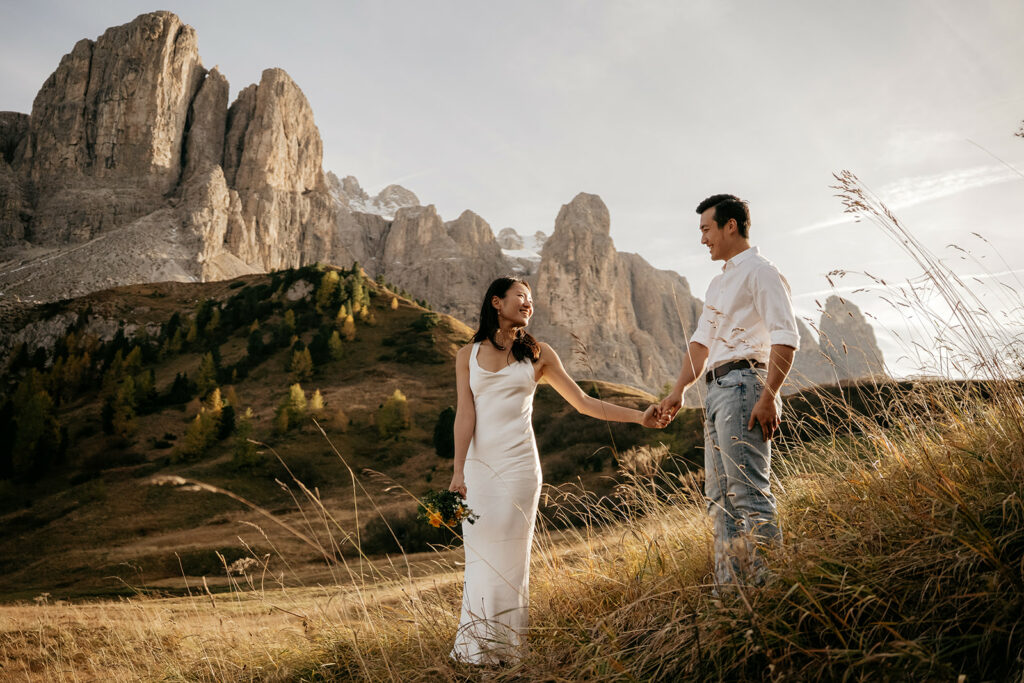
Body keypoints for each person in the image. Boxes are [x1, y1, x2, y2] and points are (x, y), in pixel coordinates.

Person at [449, 276, 667, 664]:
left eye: (532, 300)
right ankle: (475, 651)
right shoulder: (466, 355)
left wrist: (639, 418)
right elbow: (465, 414)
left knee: (511, 560)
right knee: (479, 554)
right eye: (521, 296)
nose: (528, 304)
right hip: (479, 471)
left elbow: (583, 402)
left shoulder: (539, 354)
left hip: (519, 470)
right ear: (496, 302)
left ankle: (507, 653)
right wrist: (458, 472)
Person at [659, 194, 799, 587]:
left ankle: (772, 590)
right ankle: (733, 598)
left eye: (707, 229)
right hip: (716, 391)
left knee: (748, 493)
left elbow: (786, 337)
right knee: (720, 501)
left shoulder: (760, 271)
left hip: (744, 385)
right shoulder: (719, 283)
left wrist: (769, 395)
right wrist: (677, 391)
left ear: (730, 226)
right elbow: (701, 344)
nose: (703, 239)